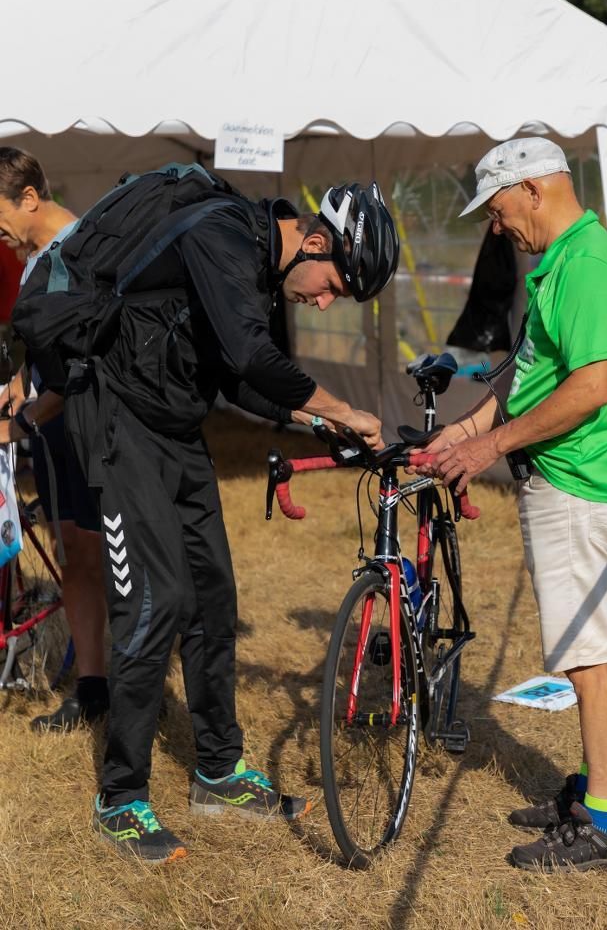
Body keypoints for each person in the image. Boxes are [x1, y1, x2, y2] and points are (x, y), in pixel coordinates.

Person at [26, 172, 399, 864]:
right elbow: (253, 356)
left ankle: (218, 772)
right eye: (332, 287)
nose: (321, 303)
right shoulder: (220, 233)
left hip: (172, 423)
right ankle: (121, 798)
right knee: (152, 601)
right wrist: (343, 406)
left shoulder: (255, 259)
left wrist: (313, 418)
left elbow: (233, 378)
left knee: (213, 598)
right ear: (316, 242)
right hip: (114, 420)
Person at [415, 137, 607, 872]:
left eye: (499, 207)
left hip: (579, 485)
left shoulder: (585, 265)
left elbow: (590, 388)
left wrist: (491, 446)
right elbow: (533, 373)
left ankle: (605, 822)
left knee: (586, 658)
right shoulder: (562, 265)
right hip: (570, 481)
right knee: (585, 652)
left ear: (536, 190)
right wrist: (468, 430)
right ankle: (592, 792)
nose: (495, 225)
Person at [0, 148, 108, 731]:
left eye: (0, 216)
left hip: (83, 424)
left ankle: (125, 690)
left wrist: (16, 423)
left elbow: (79, 364)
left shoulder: (84, 247)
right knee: (75, 557)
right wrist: (15, 384)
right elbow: (45, 347)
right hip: (51, 423)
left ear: (30, 198)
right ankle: (92, 687)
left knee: (100, 557)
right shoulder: (37, 252)